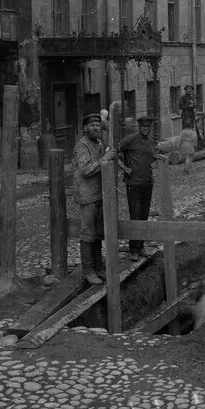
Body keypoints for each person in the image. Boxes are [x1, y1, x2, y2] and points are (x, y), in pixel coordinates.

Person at [73, 113, 117, 284]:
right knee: (88, 233)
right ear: (85, 128)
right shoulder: (82, 146)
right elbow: (85, 170)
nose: (96, 128)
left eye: (98, 125)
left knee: (98, 232)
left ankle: (98, 267)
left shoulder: (99, 143)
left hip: (99, 194)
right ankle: (88, 270)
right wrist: (104, 159)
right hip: (87, 196)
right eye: (92, 125)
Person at [118, 115, 163, 261]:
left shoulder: (150, 142)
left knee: (143, 217)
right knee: (135, 217)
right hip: (134, 185)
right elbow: (113, 152)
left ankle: (141, 246)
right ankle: (133, 250)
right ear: (139, 127)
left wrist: (157, 158)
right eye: (143, 126)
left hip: (147, 184)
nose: (146, 129)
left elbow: (151, 158)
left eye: (148, 127)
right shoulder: (130, 140)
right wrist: (125, 168)